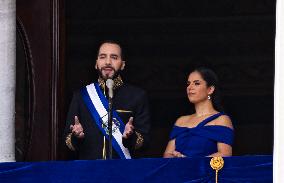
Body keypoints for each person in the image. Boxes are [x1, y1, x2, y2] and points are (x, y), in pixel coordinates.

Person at [64, 40, 151, 159]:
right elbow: (67, 143)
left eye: (114, 57)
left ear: (123, 64)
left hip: (124, 172)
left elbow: (145, 142)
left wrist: (130, 137)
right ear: (96, 63)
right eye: (103, 57)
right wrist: (76, 137)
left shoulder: (137, 96)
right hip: (90, 172)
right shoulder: (81, 96)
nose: (108, 62)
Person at [163, 67, 234, 158]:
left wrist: (190, 161)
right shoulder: (180, 121)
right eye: (188, 84)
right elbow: (167, 154)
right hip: (179, 171)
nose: (190, 87)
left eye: (196, 83)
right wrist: (175, 157)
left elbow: (225, 154)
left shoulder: (221, 119)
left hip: (206, 171)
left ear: (210, 89)